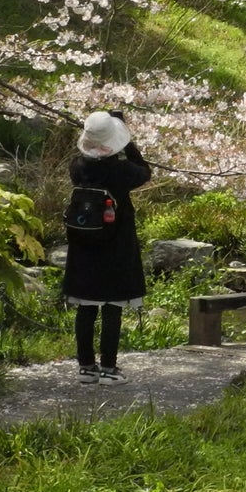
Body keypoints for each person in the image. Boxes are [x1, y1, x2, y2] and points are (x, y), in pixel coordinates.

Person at [63, 110, 152, 382]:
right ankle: (109, 368)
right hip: (116, 245)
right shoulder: (121, 171)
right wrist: (127, 141)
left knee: (86, 306)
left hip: (84, 245)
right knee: (112, 305)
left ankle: (86, 367)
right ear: (115, 141)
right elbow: (145, 172)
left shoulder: (78, 167)